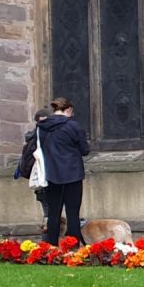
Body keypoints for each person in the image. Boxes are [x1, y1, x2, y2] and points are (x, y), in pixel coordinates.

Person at [37, 97, 90, 245]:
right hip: (72, 174)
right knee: (72, 213)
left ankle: (51, 247)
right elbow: (85, 150)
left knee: (53, 213)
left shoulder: (42, 127)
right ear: (69, 110)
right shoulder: (73, 126)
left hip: (51, 175)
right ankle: (73, 247)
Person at [15, 107, 53, 224]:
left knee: (48, 217)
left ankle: (48, 239)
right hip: (49, 180)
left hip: (41, 182)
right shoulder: (44, 137)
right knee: (52, 217)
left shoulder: (33, 137)